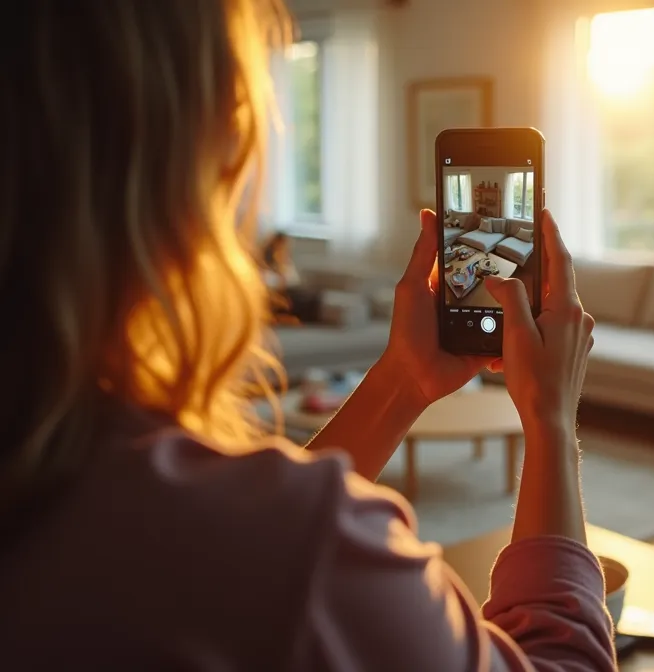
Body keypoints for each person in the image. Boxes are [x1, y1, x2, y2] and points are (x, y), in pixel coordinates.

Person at [0, 1, 613, 670]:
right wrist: (550, 423)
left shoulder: (59, 473)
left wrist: (401, 385)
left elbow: (238, 552)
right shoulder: (304, 555)